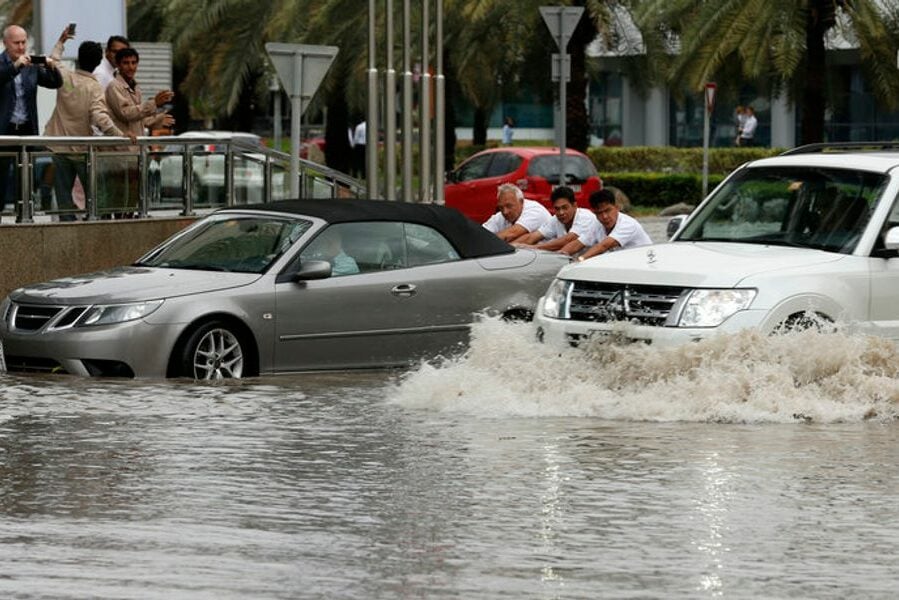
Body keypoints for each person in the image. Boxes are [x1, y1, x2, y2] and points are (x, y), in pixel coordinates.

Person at [44, 34, 133, 221]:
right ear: (98, 61)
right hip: (82, 149)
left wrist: (61, 40)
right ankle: (94, 225)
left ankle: (67, 226)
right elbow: (101, 118)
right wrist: (121, 135)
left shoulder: (65, 76)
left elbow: (54, 59)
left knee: (63, 195)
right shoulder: (94, 88)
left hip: (58, 146)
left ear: (78, 57)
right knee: (95, 193)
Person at [103, 47, 174, 216]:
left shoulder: (136, 87)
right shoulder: (114, 87)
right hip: (121, 153)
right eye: (126, 63)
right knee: (121, 196)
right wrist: (154, 103)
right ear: (118, 65)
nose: (130, 66)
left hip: (136, 152)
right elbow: (126, 113)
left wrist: (158, 119)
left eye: (134, 62)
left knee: (134, 195)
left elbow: (139, 120)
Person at [0, 24, 63, 205]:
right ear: (5, 43)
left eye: (23, 42)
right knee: (1, 179)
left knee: (25, 179)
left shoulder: (31, 66)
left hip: (26, 129)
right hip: (4, 130)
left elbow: (55, 83)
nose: (21, 47)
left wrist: (51, 67)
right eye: (16, 43)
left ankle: (24, 216)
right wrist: (15, 67)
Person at [515, 186, 598, 255]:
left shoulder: (586, 217)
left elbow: (567, 240)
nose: (561, 212)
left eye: (565, 208)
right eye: (557, 209)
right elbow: (533, 236)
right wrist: (511, 246)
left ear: (574, 205)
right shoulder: (555, 219)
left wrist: (534, 248)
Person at [577, 189, 652, 261]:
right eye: (599, 213)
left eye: (607, 210)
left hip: (645, 263)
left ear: (617, 207)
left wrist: (580, 259)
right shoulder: (596, 224)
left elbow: (604, 246)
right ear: (594, 213)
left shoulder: (628, 224)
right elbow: (579, 242)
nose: (604, 217)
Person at [482, 183, 551, 242]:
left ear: (521, 202)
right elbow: (481, 234)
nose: (505, 212)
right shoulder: (500, 216)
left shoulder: (535, 210)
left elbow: (511, 234)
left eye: (509, 206)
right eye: (501, 207)